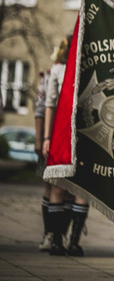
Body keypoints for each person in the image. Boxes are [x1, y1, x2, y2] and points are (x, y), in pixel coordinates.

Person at [42, 35, 90, 256]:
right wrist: (46, 137)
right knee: (58, 187)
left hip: (87, 135)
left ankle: (74, 240)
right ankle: (56, 239)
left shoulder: (91, 68)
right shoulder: (59, 70)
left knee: (81, 188)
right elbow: (49, 104)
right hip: (61, 134)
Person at [34, 69, 52, 251]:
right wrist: (39, 138)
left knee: (70, 191)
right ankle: (49, 233)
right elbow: (40, 107)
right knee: (50, 186)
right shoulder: (50, 74)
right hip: (52, 137)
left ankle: (63, 236)